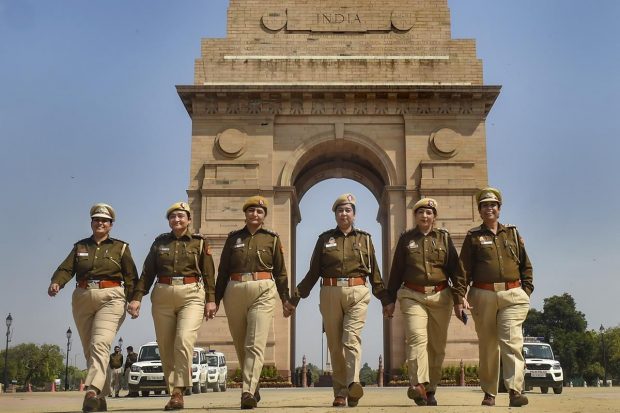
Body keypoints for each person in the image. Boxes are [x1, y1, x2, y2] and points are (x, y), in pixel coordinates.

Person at [290, 193, 391, 407]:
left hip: (358, 291)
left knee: (351, 339)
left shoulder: (365, 239)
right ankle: (340, 393)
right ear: (335, 214)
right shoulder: (324, 239)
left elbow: (375, 274)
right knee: (335, 345)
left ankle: (353, 383)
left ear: (354, 214)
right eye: (340, 210)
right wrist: (294, 299)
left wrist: (385, 299)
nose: (344, 214)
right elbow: (313, 272)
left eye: (348, 210)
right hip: (330, 292)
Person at [48, 203, 138, 412]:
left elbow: (131, 277)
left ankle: (91, 391)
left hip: (112, 297)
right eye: (96, 219)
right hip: (82, 296)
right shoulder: (80, 247)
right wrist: (57, 282)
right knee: (90, 350)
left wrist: (134, 300)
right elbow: (66, 268)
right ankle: (101, 396)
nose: (100, 223)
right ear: (91, 223)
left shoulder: (121, 248)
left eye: (104, 220)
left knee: (100, 344)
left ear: (111, 225)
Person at [127, 202, 216, 411]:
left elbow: (209, 274)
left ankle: (178, 390)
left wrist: (211, 299)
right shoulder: (159, 243)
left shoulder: (200, 243)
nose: (177, 220)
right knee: (165, 346)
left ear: (188, 219)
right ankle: (173, 389)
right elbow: (148, 273)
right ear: (169, 220)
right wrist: (137, 297)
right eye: (173, 217)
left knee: (184, 339)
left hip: (192, 294)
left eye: (181, 216)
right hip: (163, 295)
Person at [456, 187, 533, 407]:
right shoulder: (473, 237)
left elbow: (526, 265)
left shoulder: (513, 234)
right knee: (489, 345)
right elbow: (463, 271)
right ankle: (489, 391)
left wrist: (525, 291)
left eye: (493, 205)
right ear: (479, 211)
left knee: (512, 342)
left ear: (499, 209)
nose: (489, 208)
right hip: (482, 294)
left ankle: (515, 390)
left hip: (512, 294)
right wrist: (460, 295)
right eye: (485, 205)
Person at [214, 196, 293, 409]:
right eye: (251, 211)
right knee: (241, 345)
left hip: (263, 290)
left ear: (264, 216)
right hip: (234, 290)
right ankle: (254, 382)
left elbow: (281, 273)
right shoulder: (233, 239)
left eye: (259, 211)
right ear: (245, 214)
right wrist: (214, 300)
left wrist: (285, 299)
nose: (254, 214)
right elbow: (222, 272)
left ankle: (247, 391)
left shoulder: (272, 239)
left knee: (254, 344)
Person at [384, 198, 465, 406]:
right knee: (416, 339)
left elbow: (456, 271)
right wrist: (389, 300)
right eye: (420, 212)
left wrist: (458, 300)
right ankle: (418, 384)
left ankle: (430, 390)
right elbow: (396, 271)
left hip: (441, 296)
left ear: (435, 217)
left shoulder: (444, 239)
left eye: (429, 212)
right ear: (415, 215)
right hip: (412, 295)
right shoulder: (405, 240)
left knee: (437, 347)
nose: (425, 216)